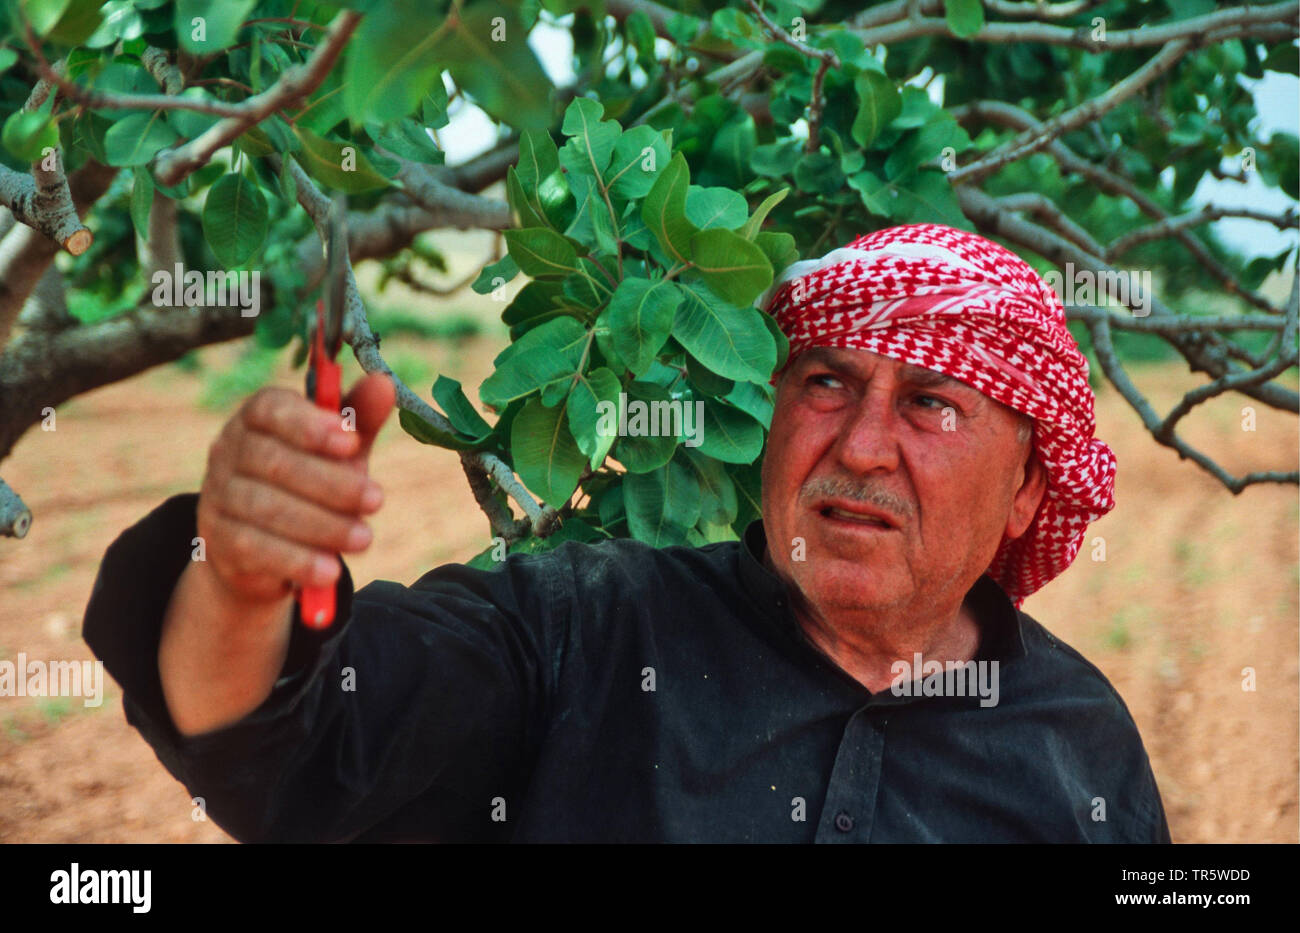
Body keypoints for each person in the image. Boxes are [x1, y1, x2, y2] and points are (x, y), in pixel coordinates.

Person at [82, 223, 1171, 843]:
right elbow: (290, 748)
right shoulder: (580, 630)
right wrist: (237, 582)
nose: (861, 446)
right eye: (826, 382)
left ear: (1028, 489)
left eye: (932, 405)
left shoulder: (1078, 743)